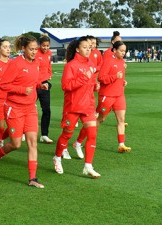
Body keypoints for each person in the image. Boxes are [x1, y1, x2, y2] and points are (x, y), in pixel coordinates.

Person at [0, 35, 48, 189]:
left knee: (32, 142)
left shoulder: (37, 63)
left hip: (30, 108)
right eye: (31, 49)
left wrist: (39, 85)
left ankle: (32, 178)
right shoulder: (15, 64)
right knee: (16, 144)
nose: (34, 52)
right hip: (14, 108)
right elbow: (3, 85)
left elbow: (31, 80)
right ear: (23, 49)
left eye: (36, 49)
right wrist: (22, 90)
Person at [53, 36, 100, 179]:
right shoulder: (71, 65)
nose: (88, 49)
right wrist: (82, 79)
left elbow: (90, 82)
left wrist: (95, 86)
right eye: (85, 47)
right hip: (73, 106)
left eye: (89, 47)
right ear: (78, 49)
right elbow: (65, 86)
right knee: (67, 134)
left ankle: (88, 166)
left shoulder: (91, 64)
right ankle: (57, 157)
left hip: (88, 106)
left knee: (92, 135)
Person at [72, 35, 103, 159]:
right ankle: (60, 152)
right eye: (88, 45)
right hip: (76, 100)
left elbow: (99, 66)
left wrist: (94, 83)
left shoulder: (94, 57)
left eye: (92, 45)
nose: (91, 47)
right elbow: (67, 85)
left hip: (89, 97)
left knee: (92, 128)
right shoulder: (73, 63)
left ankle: (87, 163)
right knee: (67, 132)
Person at [96, 41, 131, 153]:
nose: (123, 53)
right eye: (121, 50)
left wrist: (123, 81)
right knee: (101, 119)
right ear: (114, 50)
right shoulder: (108, 61)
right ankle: (82, 140)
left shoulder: (122, 61)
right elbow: (101, 78)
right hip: (107, 95)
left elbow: (119, 78)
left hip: (119, 95)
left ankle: (121, 144)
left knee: (121, 120)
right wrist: (115, 77)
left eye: (124, 51)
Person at [35, 34, 54, 144]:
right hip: (34, 85)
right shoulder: (35, 53)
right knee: (29, 110)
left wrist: (49, 74)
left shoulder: (49, 54)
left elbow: (49, 65)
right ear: (39, 45)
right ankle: (23, 132)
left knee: (46, 110)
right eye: (43, 45)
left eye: (47, 46)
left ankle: (44, 135)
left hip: (45, 85)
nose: (45, 48)